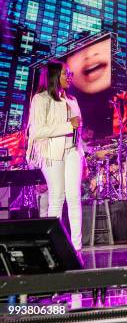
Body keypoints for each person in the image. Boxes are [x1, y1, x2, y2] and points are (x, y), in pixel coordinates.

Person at [26, 61, 83, 251]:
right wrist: (69, 125)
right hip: (51, 153)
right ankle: (56, 248)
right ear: (54, 76)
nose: (69, 77)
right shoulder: (41, 99)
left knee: (74, 198)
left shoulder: (72, 100)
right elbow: (36, 132)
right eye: (65, 73)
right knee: (57, 197)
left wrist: (83, 153)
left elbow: (78, 132)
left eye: (69, 73)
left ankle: (77, 247)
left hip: (73, 152)